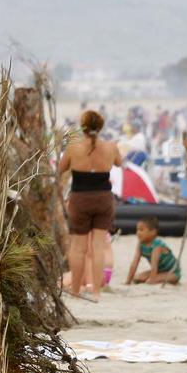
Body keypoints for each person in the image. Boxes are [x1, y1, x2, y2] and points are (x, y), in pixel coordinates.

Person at [58, 110, 122, 302]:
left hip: (80, 198)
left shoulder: (73, 147)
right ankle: (95, 291)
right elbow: (119, 163)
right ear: (100, 127)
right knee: (98, 246)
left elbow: (61, 169)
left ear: (82, 127)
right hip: (103, 198)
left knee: (78, 247)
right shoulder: (110, 147)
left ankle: (76, 291)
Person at [125, 217, 180, 285]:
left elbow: (154, 265)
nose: (138, 233)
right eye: (137, 230)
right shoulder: (140, 244)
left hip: (172, 273)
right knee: (137, 278)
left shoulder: (157, 245)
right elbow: (135, 262)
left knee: (150, 281)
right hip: (159, 271)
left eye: (141, 230)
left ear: (153, 232)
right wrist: (128, 281)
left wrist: (151, 280)